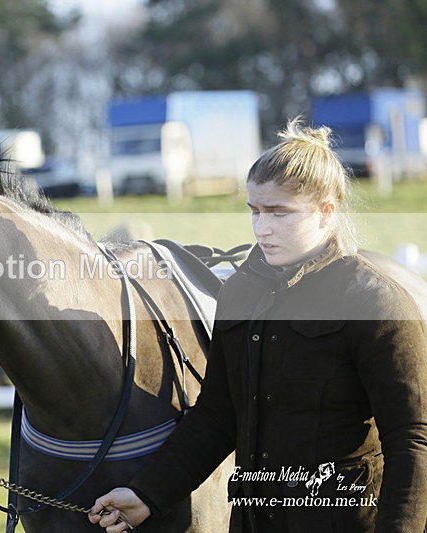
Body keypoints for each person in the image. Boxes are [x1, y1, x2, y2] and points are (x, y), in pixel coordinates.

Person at [89, 119, 427, 532]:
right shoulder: (240, 294)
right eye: (256, 210)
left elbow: (412, 441)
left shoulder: (376, 303)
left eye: (280, 212)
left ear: (326, 212)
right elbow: (217, 416)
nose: (262, 227)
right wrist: (147, 494)